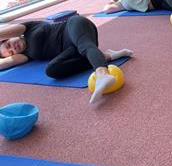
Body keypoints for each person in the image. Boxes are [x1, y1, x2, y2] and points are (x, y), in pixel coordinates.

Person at [0, 15, 133, 104]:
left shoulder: (27, 28)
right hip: (71, 49)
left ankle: (102, 74)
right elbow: (6, 63)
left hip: (74, 26)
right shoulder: (26, 56)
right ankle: (106, 56)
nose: (13, 48)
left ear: (9, 38)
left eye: (8, 44)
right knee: (51, 70)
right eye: (11, 52)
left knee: (84, 46)